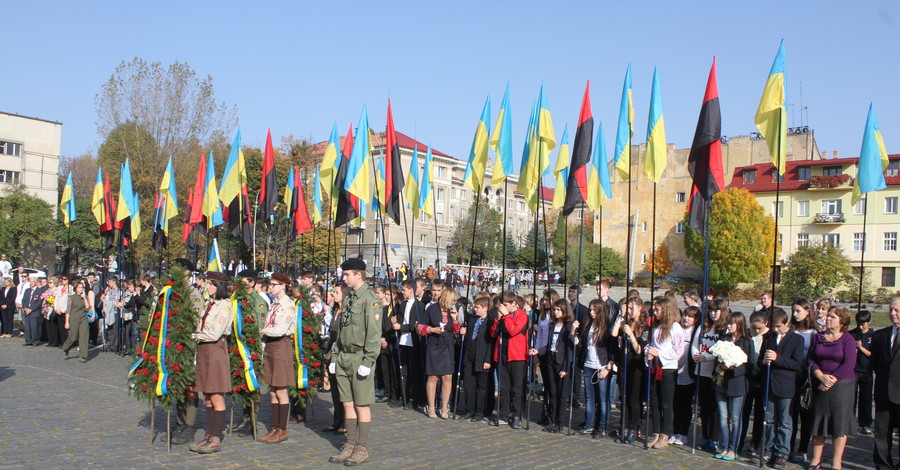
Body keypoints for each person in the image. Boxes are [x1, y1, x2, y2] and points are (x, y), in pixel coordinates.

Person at [328, 258, 382, 466]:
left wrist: (368, 361)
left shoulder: (370, 299)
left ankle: (362, 447)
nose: (344, 278)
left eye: (347, 274)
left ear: (359, 274)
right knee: (347, 403)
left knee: (361, 404)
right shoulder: (349, 298)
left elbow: (373, 334)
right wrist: (335, 355)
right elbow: (342, 330)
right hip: (343, 355)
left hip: (360, 356)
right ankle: (349, 444)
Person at [807, 306, 857, 470]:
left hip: (841, 386)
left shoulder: (848, 339)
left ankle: (836, 462)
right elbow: (810, 359)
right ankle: (816, 459)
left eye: (832, 317)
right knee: (818, 423)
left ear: (842, 322)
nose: (828, 319)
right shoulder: (818, 337)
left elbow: (849, 363)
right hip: (820, 384)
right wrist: (820, 376)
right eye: (828, 316)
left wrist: (831, 380)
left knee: (839, 425)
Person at [189, 271, 234, 454]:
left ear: (219, 286)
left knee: (216, 395)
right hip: (204, 350)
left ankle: (216, 437)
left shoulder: (225, 306)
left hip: (215, 349)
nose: (206, 287)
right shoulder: (210, 303)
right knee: (207, 395)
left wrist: (194, 336)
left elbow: (215, 333)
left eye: (210, 284)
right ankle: (208, 435)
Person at [759, 307, 805, 469]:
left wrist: (778, 359)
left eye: (779, 326)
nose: (776, 329)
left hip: (786, 386)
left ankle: (782, 453)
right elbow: (761, 359)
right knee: (770, 420)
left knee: (785, 422)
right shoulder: (769, 337)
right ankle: (768, 449)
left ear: (786, 323)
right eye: (773, 327)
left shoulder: (797, 340)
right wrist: (763, 362)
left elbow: (797, 364)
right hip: (769, 384)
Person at [258, 272, 297, 444]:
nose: (271, 287)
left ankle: (282, 429)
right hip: (271, 347)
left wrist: (261, 331)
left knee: (281, 390)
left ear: (283, 286)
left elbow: (279, 329)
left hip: (281, 346)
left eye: (274, 284)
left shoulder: (288, 306)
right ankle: (274, 427)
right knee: (272, 390)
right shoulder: (274, 305)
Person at [646, 296, 685, 450]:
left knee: (667, 404)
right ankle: (655, 432)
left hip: (668, 369)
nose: (654, 312)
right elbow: (651, 344)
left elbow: (678, 352)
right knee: (655, 403)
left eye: (657, 310)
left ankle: (665, 434)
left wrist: (659, 354)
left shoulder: (675, 328)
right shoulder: (658, 327)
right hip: (655, 367)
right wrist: (648, 352)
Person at [531, 298, 574, 434]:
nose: (555, 312)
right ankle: (552, 420)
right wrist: (538, 350)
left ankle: (560, 422)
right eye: (554, 310)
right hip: (550, 361)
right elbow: (549, 345)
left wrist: (565, 368)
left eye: (558, 310)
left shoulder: (568, 327)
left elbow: (570, 350)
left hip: (562, 363)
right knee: (552, 393)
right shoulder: (552, 326)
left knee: (562, 395)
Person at [691, 298, 729, 451]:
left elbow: (723, 351)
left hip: (715, 371)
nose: (713, 313)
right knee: (704, 407)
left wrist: (706, 357)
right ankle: (705, 436)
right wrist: (696, 354)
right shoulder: (703, 327)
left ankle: (714, 438)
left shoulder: (724, 329)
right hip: (701, 370)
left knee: (714, 408)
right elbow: (695, 344)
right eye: (711, 310)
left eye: (716, 310)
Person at [419, 288, 461, 419]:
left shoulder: (452, 310)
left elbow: (456, 330)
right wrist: (432, 329)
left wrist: (455, 319)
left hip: (447, 346)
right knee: (433, 377)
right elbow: (420, 327)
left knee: (447, 377)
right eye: (453, 300)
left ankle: (444, 407)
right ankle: (431, 406)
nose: (454, 302)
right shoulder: (432, 309)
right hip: (434, 345)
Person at [491, 292, 529, 429]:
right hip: (503, 354)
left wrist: (506, 316)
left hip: (517, 356)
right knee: (504, 387)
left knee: (516, 388)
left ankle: (517, 415)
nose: (504, 308)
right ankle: (503, 414)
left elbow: (513, 330)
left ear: (514, 304)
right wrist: (498, 319)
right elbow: (493, 333)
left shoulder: (521, 315)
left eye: (506, 305)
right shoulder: (503, 316)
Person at [577, 299, 615, 438]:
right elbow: (582, 343)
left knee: (603, 398)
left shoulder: (607, 326)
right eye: (590, 310)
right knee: (589, 397)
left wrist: (608, 367)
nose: (591, 313)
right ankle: (589, 424)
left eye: (594, 310)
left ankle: (602, 426)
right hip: (588, 364)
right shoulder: (588, 325)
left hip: (602, 365)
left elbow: (612, 350)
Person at [613, 296, 647, 444]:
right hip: (623, 364)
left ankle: (634, 427)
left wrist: (631, 335)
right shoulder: (625, 323)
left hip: (636, 367)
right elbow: (614, 334)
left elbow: (639, 350)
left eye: (632, 308)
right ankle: (624, 425)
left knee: (634, 399)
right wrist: (621, 315)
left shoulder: (644, 326)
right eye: (629, 308)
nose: (630, 311)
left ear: (640, 309)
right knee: (624, 398)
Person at [871, 297, 900, 470]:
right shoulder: (881, 335)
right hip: (883, 392)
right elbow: (875, 361)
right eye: (891, 309)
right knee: (881, 433)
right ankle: (883, 465)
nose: (892, 313)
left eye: (897, 310)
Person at [789, 298, 819, 463]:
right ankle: (789, 445)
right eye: (793, 311)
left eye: (798, 311)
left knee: (806, 414)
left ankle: (802, 449)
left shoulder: (814, 333)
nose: (795, 314)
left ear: (808, 311)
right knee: (790, 414)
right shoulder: (791, 329)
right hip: (791, 376)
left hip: (806, 378)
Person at [738, 310, 768, 456]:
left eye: (759, 329)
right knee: (744, 412)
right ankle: (739, 440)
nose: (756, 331)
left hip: (761, 379)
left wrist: (759, 379)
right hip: (747, 377)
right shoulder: (746, 335)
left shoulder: (768, 337)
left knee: (759, 414)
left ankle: (755, 443)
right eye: (753, 328)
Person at [393, 279, 426, 410]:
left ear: (411, 290)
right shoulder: (403, 305)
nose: (402, 292)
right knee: (403, 371)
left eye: (404, 290)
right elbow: (400, 319)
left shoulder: (419, 306)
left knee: (414, 371)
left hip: (413, 342)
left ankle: (415, 398)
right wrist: (396, 322)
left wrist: (401, 326)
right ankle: (404, 396)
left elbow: (416, 325)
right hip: (402, 342)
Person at [458, 296, 493, 422]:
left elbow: (490, 343)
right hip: (470, 357)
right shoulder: (472, 320)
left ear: (485, 308)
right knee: (468, 385)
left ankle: (480, 411)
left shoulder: (489, 322)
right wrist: (464, 331)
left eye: (477, 307)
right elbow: (463, 319)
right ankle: (469, 409)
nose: (475, 309)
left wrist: (488, 360)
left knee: (481, 387)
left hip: (482, 358)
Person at [322, 282, 350, 435]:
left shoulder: (347, 312)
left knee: (342, 389)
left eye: (337, 292)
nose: (333, 294)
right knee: (334, 389)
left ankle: (346, 422)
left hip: (340, 353)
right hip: (331, 351)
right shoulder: (335, 311)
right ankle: (337, 420)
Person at [672, 305, 698, 446]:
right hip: (674, 371)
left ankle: (683, 432)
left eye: (690, 316)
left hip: (687, 373)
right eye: (685, 315)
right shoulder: (678, 330)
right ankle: (675, 431)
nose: (686, 318)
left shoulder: (695, 333)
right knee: (675, 404)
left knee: (685, 405)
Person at [850, 309, 874, 435]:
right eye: (859, 323)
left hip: (866, 370)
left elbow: (872, 354)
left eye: (863, 323)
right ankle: (850, 422)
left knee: (866, 398)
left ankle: (865, 423)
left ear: (869, 322)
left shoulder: (872, 336)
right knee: (851, 398)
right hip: (853, 370)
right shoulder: (853, 334)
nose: (860, 326)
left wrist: (861, 347)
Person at [61, 278, 95, 362]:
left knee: (84, 336)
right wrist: (66, 322)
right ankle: (66, 348)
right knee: (73, 337)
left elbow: (88, 308)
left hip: (83, 318)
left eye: (82, 288)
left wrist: (85, 299)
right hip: (74, 318)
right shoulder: (71, 297)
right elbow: (68, 310)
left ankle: (83, 355)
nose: (81, 289)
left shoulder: (84, 297)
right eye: (79, 287)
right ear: (76, 288)